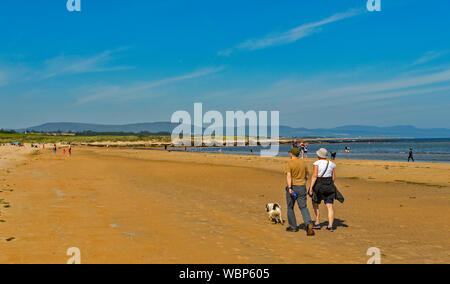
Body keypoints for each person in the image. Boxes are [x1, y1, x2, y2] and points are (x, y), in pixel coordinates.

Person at [309, 148, 344, 232]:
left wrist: (310, 188)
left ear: (319, 155)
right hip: (329, 184)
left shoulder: (316, 163)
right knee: (329, 206)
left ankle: (317, 223)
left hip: (319, 184)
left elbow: (314, 176)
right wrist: (330, 184)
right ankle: (330, 226)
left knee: (315, 203)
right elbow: (334, 177)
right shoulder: (331, 163)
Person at [284, 148, 315, 236]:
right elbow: (307, 175)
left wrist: (290, 188)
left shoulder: (289, 163)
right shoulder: (303, 162)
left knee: (290, 207)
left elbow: (289, 176)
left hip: (293, 187)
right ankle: (308, 223)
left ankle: (293, 227)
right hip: (302, 187)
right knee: (303, 207)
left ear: (292, 154)